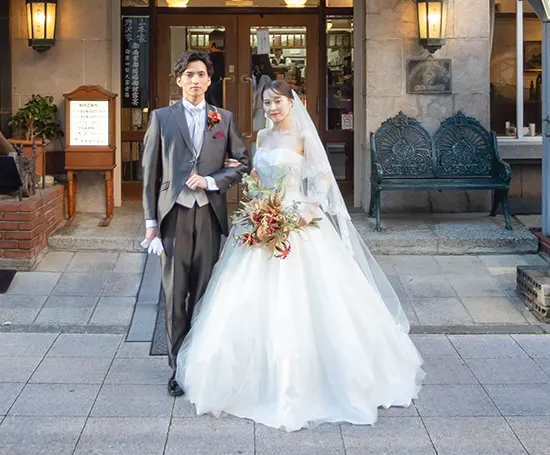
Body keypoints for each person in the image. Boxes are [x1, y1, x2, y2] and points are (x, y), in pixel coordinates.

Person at [175, 83, 424, 431]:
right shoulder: (260, 136)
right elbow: (257, 178)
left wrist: (309, 209)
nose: (272, 107)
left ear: (293, 103)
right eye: (266, 102)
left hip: (297, 219)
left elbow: (323, 179)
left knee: (311, 299)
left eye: (278, 101)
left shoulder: (304, 139)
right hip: (262, 218)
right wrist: (254, 196)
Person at [141, 50, 252, 397]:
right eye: (189, 74)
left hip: (209, 214)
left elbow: (243, 163)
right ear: (179, 80)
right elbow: (149, 173)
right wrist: (150, 223)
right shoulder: (161, 117)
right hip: (173, 216)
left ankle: (202, 365)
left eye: (201, 74)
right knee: (175, 296)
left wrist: (213, 180)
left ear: (209, 79)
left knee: (205, 294)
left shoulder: (224, 118)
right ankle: (178, 369)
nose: (195, 80)